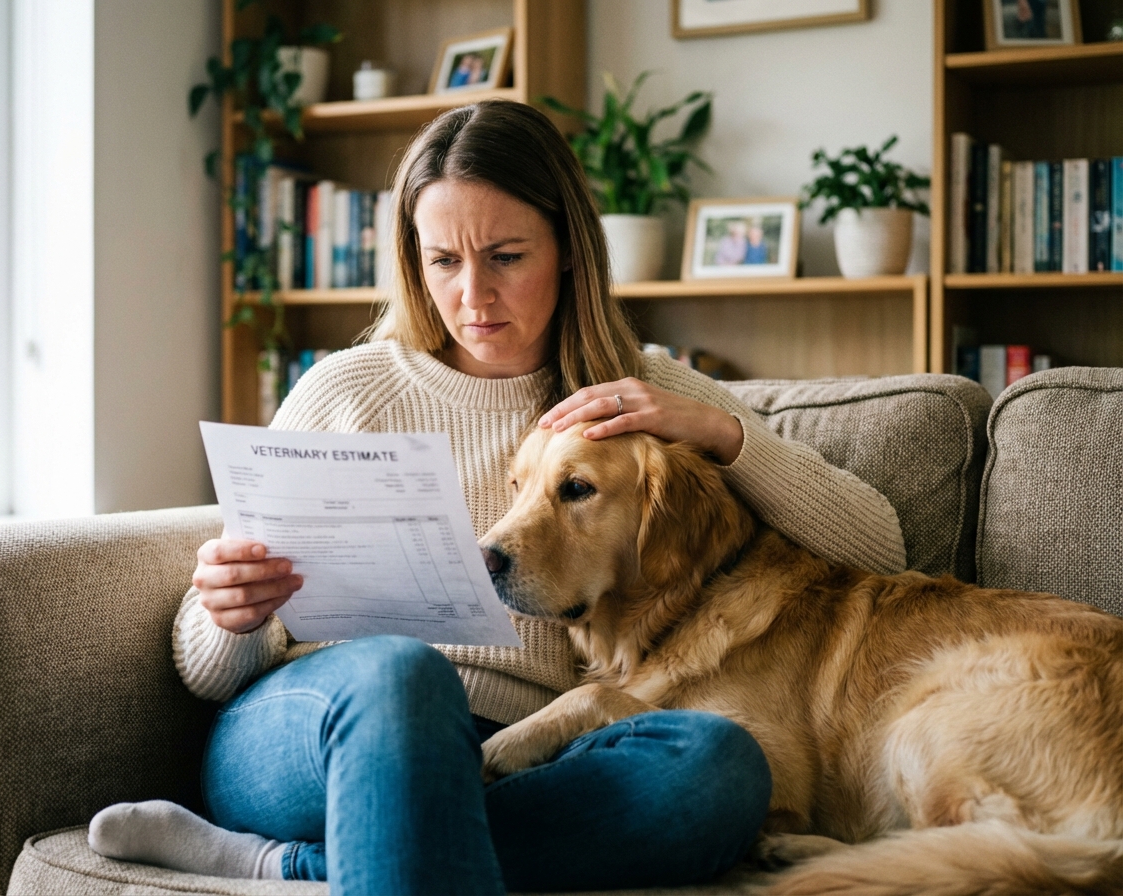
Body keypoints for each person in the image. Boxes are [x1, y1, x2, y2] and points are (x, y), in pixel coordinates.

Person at [87, 100, 906, 895]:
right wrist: (231, 613)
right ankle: (368, 824)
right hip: (324, 723)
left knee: (720, 765)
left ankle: (286, 865)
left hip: (526, 751)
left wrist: (725, 431)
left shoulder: (639, 399)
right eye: (444, 261)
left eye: (506, 257)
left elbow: (881, 548)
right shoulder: (346, 390)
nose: (472, 296)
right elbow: (206, 667)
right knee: (407, 678)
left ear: (570, 251)